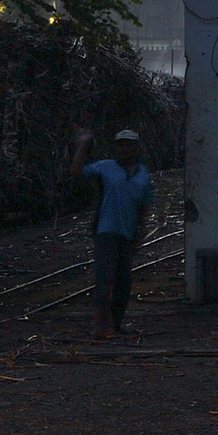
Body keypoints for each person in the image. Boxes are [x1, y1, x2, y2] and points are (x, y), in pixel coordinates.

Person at [70, 127, 154, 338]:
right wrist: (83, 146)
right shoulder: (106, 167)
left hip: (128, 233)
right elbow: (77, 172)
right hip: (106, 230)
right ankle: (101, 326)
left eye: (129, 144)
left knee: (124, 282)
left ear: (137, 146)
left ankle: (115, 324)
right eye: (121, 144)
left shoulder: (143, 174)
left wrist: (141, 232)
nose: (125, 148)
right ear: (115, 147)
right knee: (105, 279)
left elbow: (145, 205)